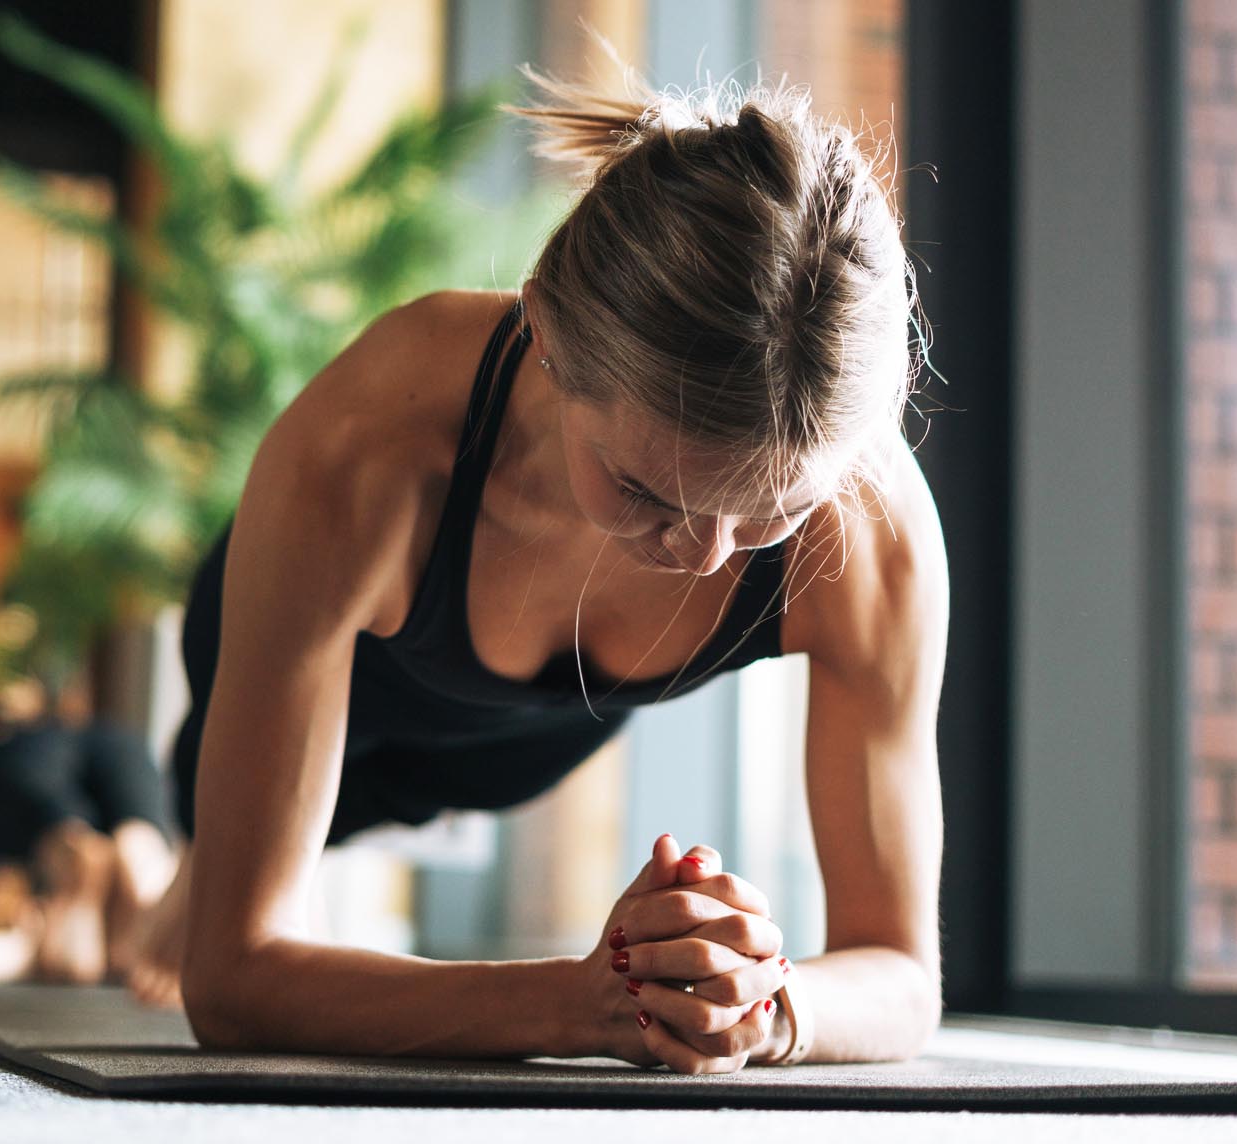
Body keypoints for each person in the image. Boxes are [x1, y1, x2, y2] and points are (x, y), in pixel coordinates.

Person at [132, 63, 947, 1075]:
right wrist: (578, 1004)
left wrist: (767, 1002)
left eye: (770, 513)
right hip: (321, 635)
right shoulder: (365, 446)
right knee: (208, 866)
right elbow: (234, 986)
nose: (704, 556)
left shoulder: (873, 532)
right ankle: (179, 863)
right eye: (647, 491)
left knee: (416, 793)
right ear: (549, 340)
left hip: (529, 733)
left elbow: (907, 977)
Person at [0, 678, 178, 984]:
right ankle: (80, 872)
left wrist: (27, 949)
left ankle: (73, 866)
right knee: (144, 868)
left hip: (13, 760)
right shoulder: (4, 741)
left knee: (87, 945)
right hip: (120, 745)